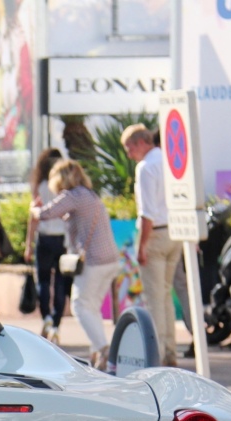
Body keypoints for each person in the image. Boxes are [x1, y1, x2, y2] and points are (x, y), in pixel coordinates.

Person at [31, 159, 120, 370]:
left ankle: (104, 349)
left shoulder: (73, 196)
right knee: (92, 306)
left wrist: (34, 209)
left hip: (93, 261)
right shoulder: (89, 195)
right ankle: (98, 353)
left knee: (80, 305)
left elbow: (45, 214)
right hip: (110, 259)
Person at [122, 123, 180, 367]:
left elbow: (147, 214)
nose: (129, 155)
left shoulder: (146, 168)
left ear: (139, 143)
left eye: (128, 149)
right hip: (175, 232)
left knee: (155, 298)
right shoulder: (169, 161)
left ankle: (158, 355)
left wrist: (141, 246)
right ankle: (169, 351)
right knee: (165, 294)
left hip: (155, 235)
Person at [24, 147, 73, 343]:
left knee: (43, 281)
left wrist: (28, 243)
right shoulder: (64, 187)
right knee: (60, 282)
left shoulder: (40, 185)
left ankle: (45, 318)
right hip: (62, 239)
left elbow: (34, 215)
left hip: (44, 237)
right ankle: (56, 325)